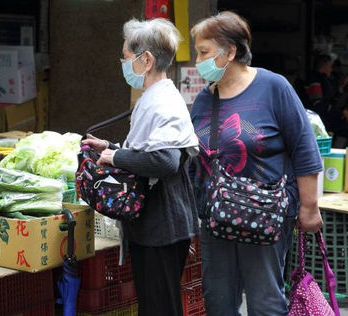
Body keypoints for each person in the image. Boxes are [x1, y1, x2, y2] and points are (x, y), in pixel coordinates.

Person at [189, 11, 323, 315]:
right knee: (217, 300)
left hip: (266, 215)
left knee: (265, 301)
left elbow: (305, 148)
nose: (198, 61)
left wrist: (309, 206)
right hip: (215, 217)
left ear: (231, 51)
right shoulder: (204, 99)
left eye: (204, 52)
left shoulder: (274, 88)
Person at [82, 18, 199, 316]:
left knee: (159, 308)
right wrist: (110, 148)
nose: (123, 63)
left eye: (126, 56)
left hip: (163, 224)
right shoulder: (155, 97)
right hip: (157, 223)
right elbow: (149, 149)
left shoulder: (164, 102)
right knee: (154, 304)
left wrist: (115, 158)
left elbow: (164, 160)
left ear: (146, 59)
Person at [305, 54, 347, 129]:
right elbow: (318, 106)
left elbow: (331, 102)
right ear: (324, 66)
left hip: (327, 118)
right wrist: (341, 112)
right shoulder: (315, 81)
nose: (331, 69)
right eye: (330, 66)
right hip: (319, 121)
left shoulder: (324, 80)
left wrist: (341, 88)